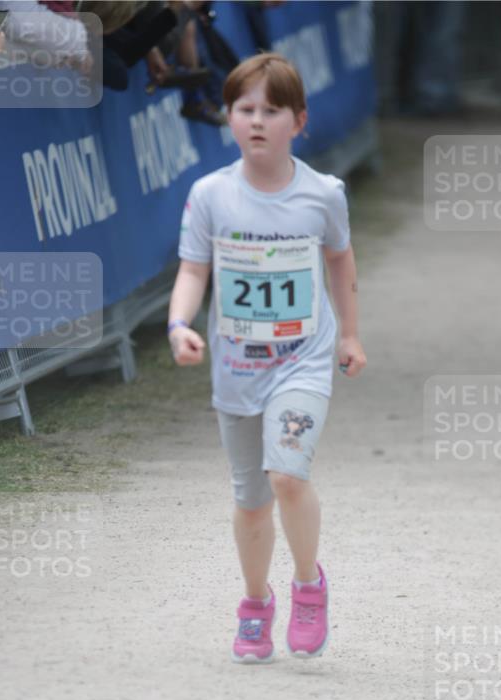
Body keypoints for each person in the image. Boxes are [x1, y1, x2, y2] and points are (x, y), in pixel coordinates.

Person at [167, 52, 367, 662]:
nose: (256, 120)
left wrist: (350, 335)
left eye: (271, 110)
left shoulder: (322, 194)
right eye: (244, 108)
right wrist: (179, 324)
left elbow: (340, 258)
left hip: (302, 360)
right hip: (238, 368)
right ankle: (256, 602)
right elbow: (194, 269)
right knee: (251, 501)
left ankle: (309, 585)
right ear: (228, 118)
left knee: (286, 476)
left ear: (298, 121)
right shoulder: (210, 195)